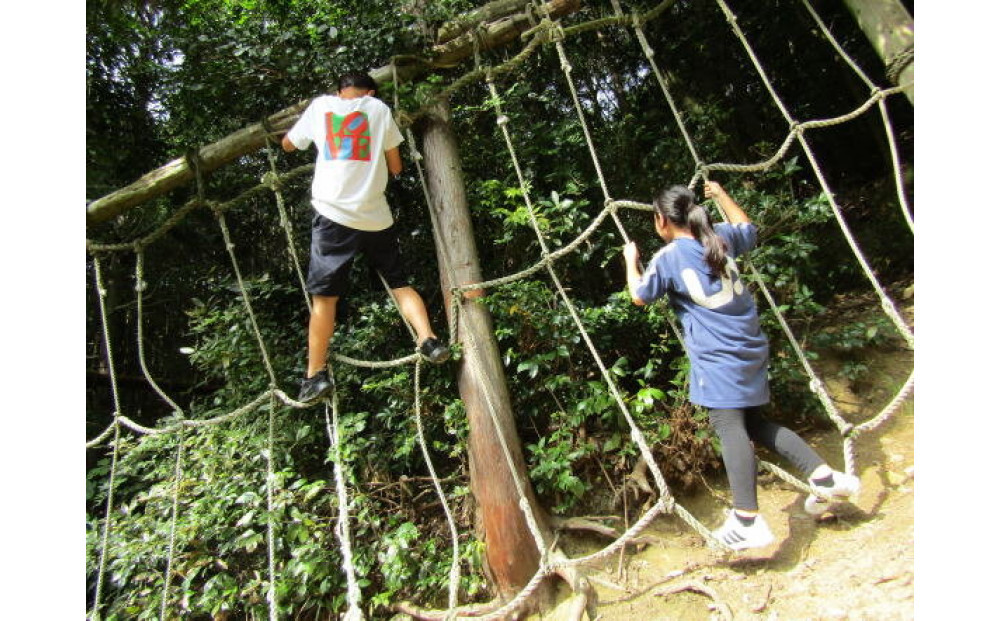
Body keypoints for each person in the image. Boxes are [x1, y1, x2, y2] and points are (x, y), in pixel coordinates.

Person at [622, 180, 860, 551]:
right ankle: (825, 477)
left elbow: (639, 296)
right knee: (754, 423)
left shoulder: (668, 258)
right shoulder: (719, 239)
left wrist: (629, 261)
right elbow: (749, 227)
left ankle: (748, 519)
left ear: (660, 221)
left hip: (718, 358)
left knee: (728, 425)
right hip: (749, 347)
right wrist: (721, 195)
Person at [282, 71, 450, 404]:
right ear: (369, 92)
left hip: (332, 216)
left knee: (325, 300)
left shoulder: (320, 107)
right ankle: (429, 340)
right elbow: (397, 166)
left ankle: (315, 375)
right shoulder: (379, 109)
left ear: (339, 91)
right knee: (398, 283)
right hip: (375, 217)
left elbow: (288, 144)